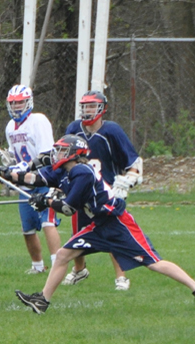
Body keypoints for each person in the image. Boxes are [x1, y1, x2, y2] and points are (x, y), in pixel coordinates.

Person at [0, 135, 195, 314]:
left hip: (117, 224)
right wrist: (4, 174)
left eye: (62, 151)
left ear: (74, 154)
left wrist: (45, 200)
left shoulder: (82, 173)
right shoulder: (65, 172)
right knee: (64, 255)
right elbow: (33, 178)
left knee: (153, 263)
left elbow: (68, 208)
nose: (56, 155)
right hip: (98, 225)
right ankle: (42, 301)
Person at [63, 90, 143, 290]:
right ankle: (79, 270)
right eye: (85, 106)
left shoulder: (112, 131)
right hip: (82, 191)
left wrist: (127, 180)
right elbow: (63, 158)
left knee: (112, 234)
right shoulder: (74, 129)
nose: (88, 110)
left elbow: (133, 163)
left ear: (102, 108)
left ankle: (121, 277)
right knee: (78, 233)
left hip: (105, 193)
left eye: (92, 106)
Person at [1, 85, 61, 274]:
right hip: (23, 181)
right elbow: (14, 153)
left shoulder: (38, 121)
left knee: (47, 222)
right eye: (13, 103)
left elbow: (46, 154)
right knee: (27, 227)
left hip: (43, 178)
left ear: (28, 102)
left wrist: (24, 167)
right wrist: (9, 161)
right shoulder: (10, 126)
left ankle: (56, 265)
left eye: (20, 102)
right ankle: (37, 265)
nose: (16, 106)